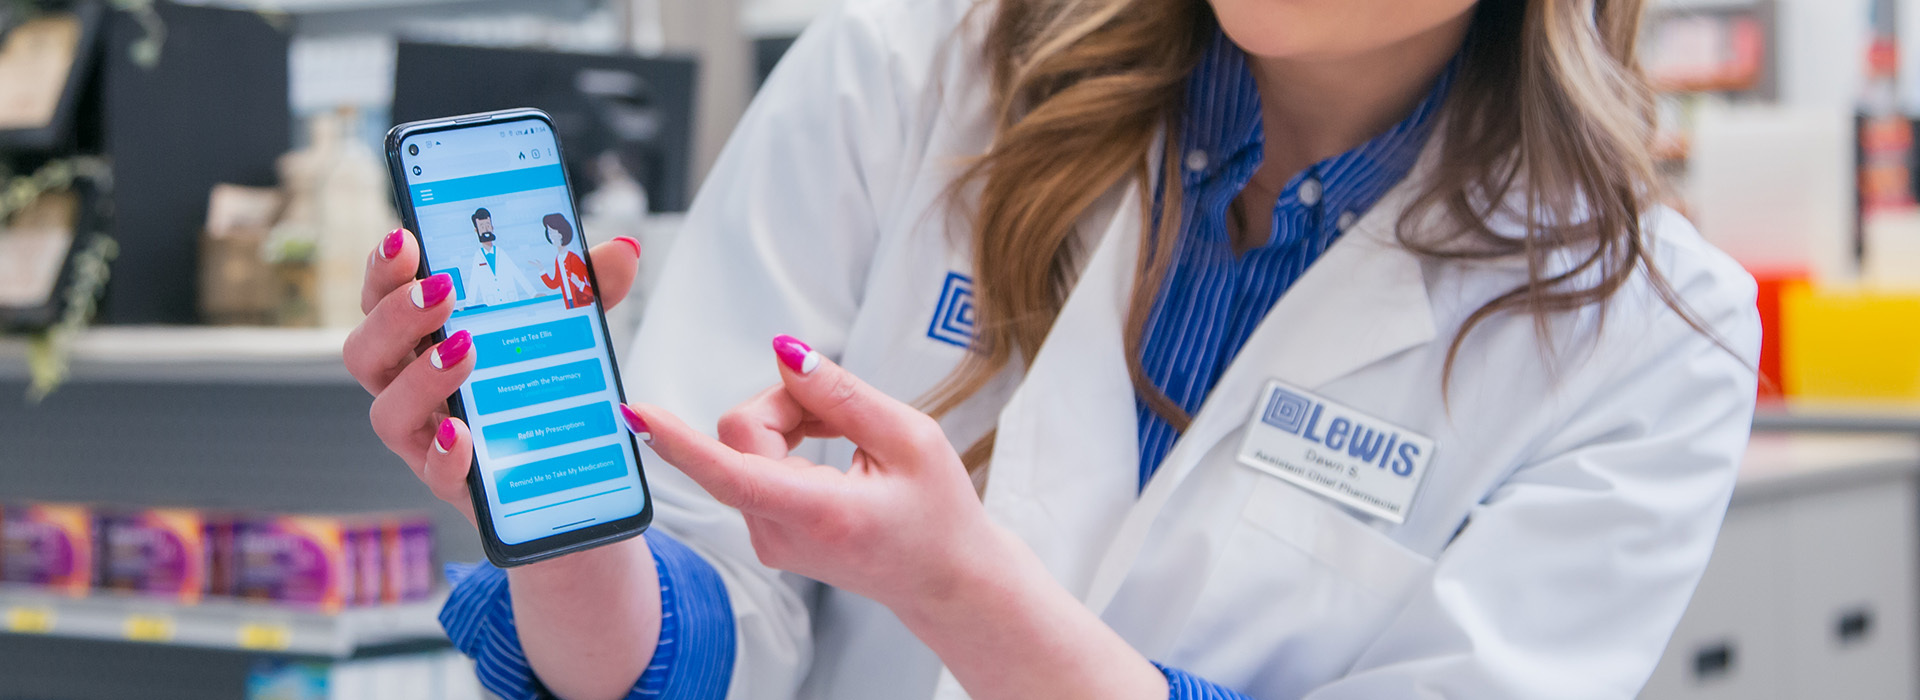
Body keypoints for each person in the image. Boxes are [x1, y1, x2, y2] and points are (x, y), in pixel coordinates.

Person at [344, 0, 1761, 697]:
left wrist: (960, 592)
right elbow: (702, 611)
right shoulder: (912, 69)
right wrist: (572, 527)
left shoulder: (1643, 328)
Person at [461, 207, 540, 308]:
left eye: (488, 225)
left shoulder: (501, 253)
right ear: (476, 230)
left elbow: (516, 273)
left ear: (492, 227)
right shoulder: (478, 256)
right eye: (481, 226)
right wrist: (469, 305)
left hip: (511, 301)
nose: (485, 229)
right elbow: (474, 282)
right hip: (492, 304)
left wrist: (533, 293)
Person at [539, 213, 595, 309]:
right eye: (549, 233)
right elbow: (555, 284)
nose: (550, 236)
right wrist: (542, 270)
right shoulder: (558, 259)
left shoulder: (574, 259)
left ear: (561, 234)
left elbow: (592, 289)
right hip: (569, 304)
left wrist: (579, 284)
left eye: (552, 232)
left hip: (583, 304)